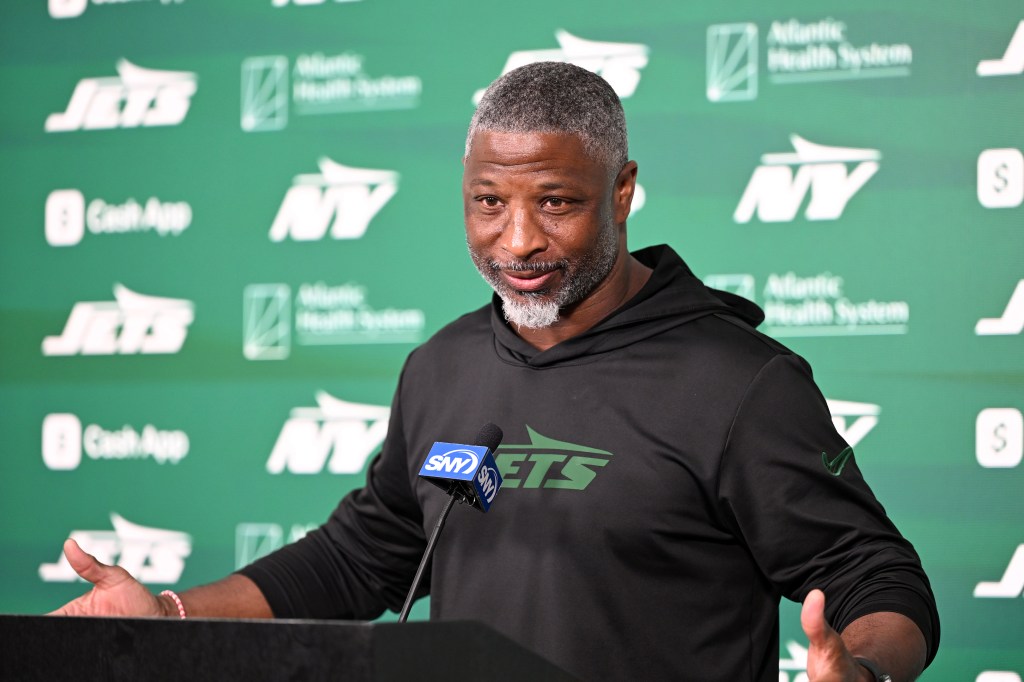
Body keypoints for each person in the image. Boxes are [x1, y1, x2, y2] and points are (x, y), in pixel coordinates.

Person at [51, 62, 939, 681]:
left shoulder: (739, 383)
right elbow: (363, 558)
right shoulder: (442, 367)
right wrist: (167, 617)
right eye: (489, 203)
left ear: (622, 190)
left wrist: (863, 669)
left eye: (555, 202)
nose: (516, 242)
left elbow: (880, 579)